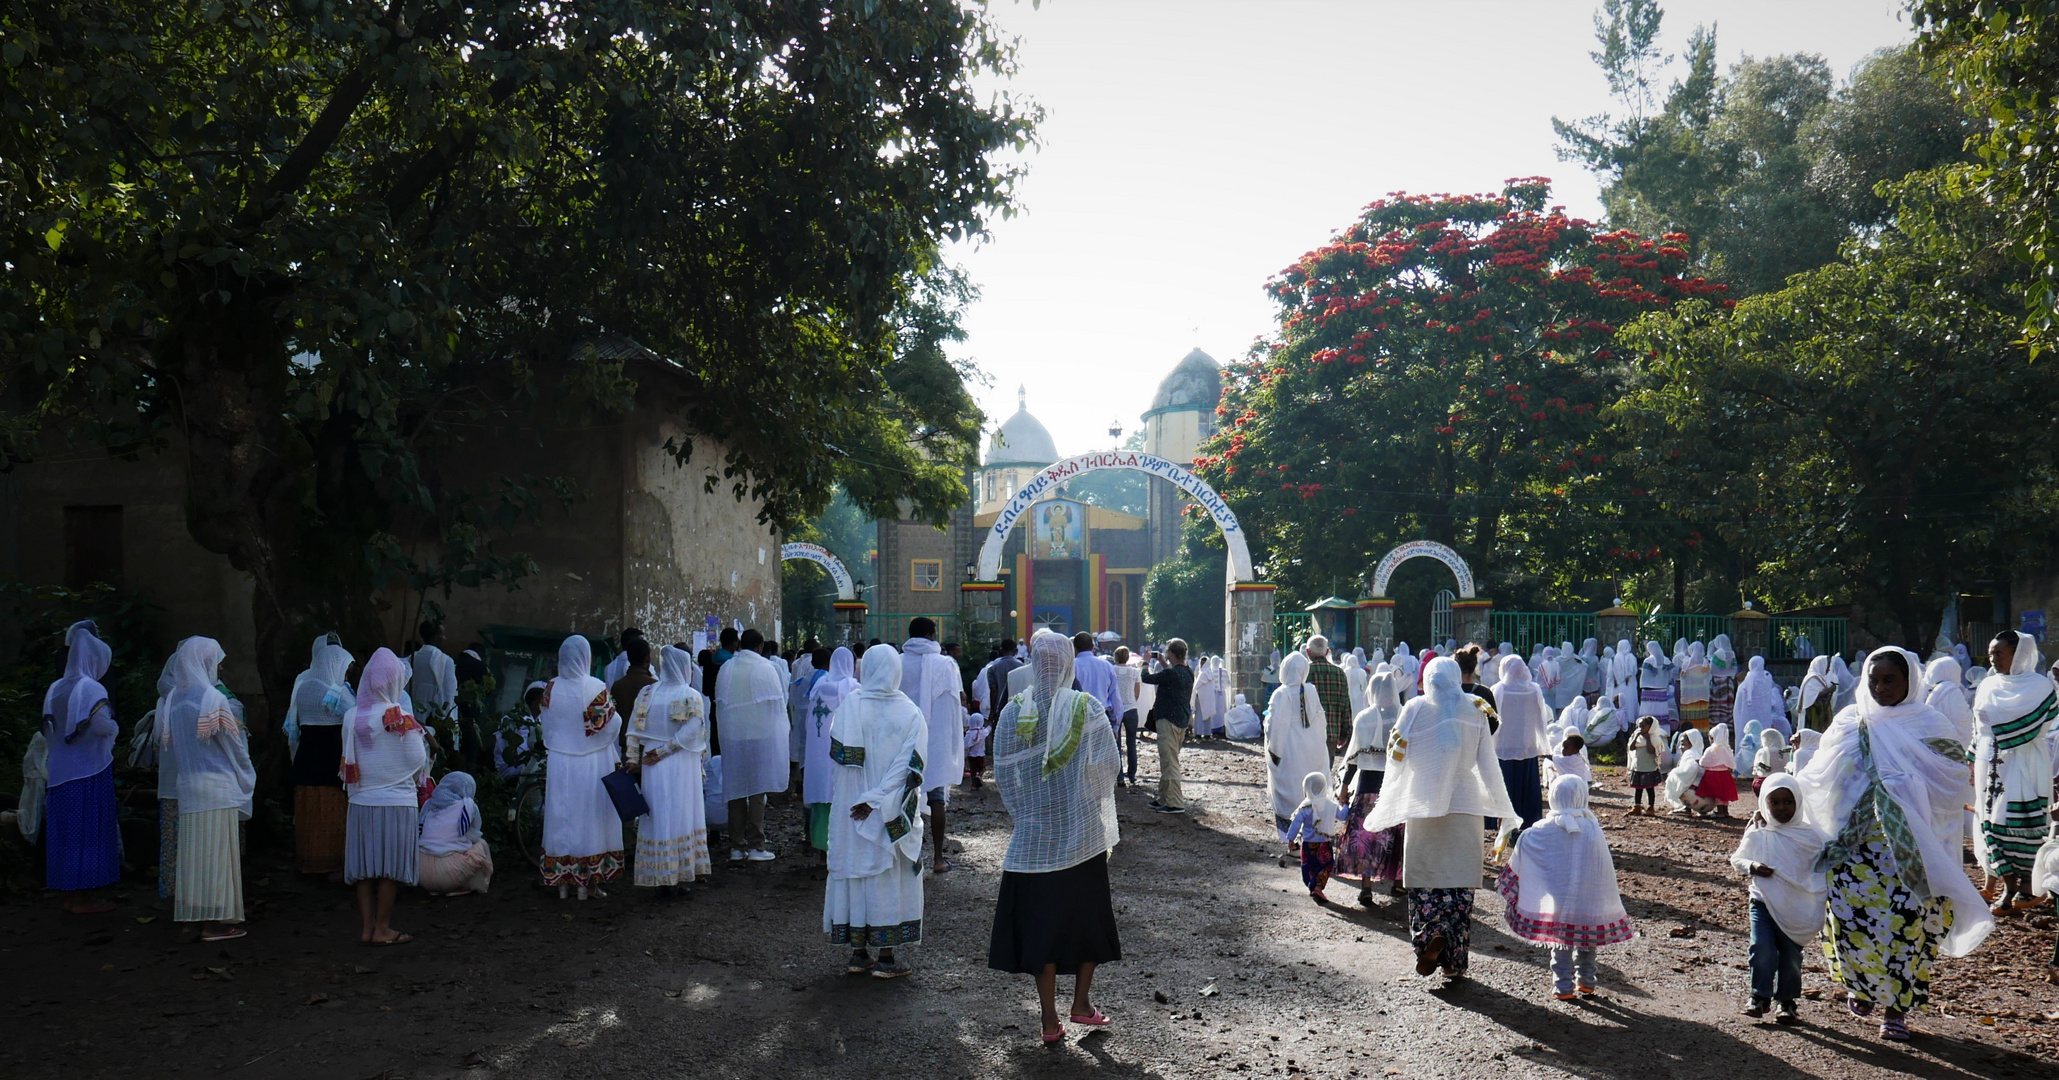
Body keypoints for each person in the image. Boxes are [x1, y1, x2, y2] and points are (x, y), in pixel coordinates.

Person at [1799, 646, 1992, 1042]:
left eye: (1891, 680)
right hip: (1854, 849)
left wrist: (1901, 787)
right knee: (1851, 920)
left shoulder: (1929, 725)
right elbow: (1821, 776)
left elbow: (1952, 782)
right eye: (1875, 680)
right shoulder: (1850, 722)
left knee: (1907, 926)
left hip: (1910, 853)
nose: (1881, 688)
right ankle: (1862, 986)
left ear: (1910, 682)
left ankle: (1895, 1009)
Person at [989, 630, 1123, 1044]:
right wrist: (1084, 797)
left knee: (1040, 930)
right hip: (1081, 834)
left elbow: (1003, 770)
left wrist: (1027, 811)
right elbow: (1108, 768)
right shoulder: (1087, 707)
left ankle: (1049, 1020)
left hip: (1033, 840)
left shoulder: (1015, 711)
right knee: (1087, 921)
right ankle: (1081, 1003)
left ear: (1034, 662)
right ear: (1067, 663)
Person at [1362, 656, 1518, 982]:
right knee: (1459, 888)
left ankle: (1429, 937)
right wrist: (1503, 807)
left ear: (1428, 680)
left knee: (1425, 884)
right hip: (1465, 807)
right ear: (1457, 679)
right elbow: (1488, 764)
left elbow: (1395, 757)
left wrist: (1396, 793)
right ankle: (1452, 960)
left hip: (1423, 807)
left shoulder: (1414, 709)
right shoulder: (1475, 710)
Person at [825, 643, 929, 978]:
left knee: (856, 873)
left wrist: (864, 798)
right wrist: (880, 800)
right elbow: (909, 768)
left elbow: (842, 761)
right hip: (888, 810)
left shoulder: (850, 706)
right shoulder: (911, 712)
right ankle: (886, 957)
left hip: (851, 807)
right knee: (890, 878)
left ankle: (858, 953)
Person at [1497, 773, 1635, 1000]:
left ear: (1553, 796)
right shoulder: (1592, 826)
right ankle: (1587, 982)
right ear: (1583, 795)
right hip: (1588, 898)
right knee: (1587, 942)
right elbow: (1600, 865)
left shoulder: (1545, 827)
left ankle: (1563, 987)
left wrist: (1510, 832)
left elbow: (1526, 841)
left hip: (1558, 898)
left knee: (1560, 941)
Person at [162, 637, 254, 942]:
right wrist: (247, 775)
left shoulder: (174, 699)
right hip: (216, 788)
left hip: (188, 788)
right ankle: (215, 924)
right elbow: (234, 746)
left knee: (194, 856)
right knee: (217, 856)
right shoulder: (213, 699)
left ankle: (193, 918)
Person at [343, 648, 432, 944]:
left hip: (361, 803)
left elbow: (349, 758)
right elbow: (417, 758)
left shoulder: (351, 716)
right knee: (389, 872)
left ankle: (367, 928)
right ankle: (383, 928)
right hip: (396, 802)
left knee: (365, 871)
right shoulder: (398, 715)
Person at [1729, 772, 1826, 1024]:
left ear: (1798, 803)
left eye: (1788, 801)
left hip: (1797, 905)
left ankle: (1787, 1002)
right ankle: (1759, 996)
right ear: (1765, 804)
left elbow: (1821, 868)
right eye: (1775, 802)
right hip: (1762, 902)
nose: (1782, 808)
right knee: (1761, 948)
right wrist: (1752, 866)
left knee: (1791, 956)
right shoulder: (1759, 832)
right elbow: (1737, 858)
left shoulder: (1811, 837)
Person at [1972, 630, 2056, 911]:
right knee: (1991, 824)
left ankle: (2028, 888)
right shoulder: (1988, 685)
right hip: (1991, 763)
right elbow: (1979, 727)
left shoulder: (2040, 687)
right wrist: (1973, 758)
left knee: (2024, 824)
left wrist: (2000, 734)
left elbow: (2036, 726)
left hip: (2026, 761)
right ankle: (2008, 889)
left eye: (1999, 653)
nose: (1993, 658)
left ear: (2018, 655)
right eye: (1991, 652)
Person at [42, 620, 120, 913]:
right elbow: (100, 726)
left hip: (59, 774)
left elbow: (48, 730)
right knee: (87, 833)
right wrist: (114, 728)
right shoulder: (91, 688)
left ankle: (69, 895)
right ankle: (83, 897)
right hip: (88, 771)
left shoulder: (55, 688)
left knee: (66, 835)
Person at [540, 635, 625, 897]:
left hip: (559, 760)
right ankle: (588, 883)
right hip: (590, 762)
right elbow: (610, 724)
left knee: (561, 817)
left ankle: (563, 883)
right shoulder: (594, 687)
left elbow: (547, 721)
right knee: (589, 817)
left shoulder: (550, 688)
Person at [629, 645, 711, 893]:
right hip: (679, 761)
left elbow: (633, 728)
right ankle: (677, 875)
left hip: (652, 762)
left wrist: (633, 757)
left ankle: (660, 875)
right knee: (681, 813)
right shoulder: (690, 695)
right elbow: (692, 730)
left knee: (658, 813)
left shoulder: (646, 693)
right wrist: (666, 751)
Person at [714, 629, 788, 863]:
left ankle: (737, 845)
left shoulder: (727, 668)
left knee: (735, 789)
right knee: (757, 790)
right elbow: (777, 707)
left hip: (733, 737)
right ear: (759, 647)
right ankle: (756, 844)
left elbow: (720, 705)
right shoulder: (765, 668)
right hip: (759, 736)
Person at [1336, 662, 1405, 905]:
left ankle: (1366, 885)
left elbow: (1354, 758)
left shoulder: (1364, 718)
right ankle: (1398, 884)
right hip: (1395, 784)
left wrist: (1345, 786)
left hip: (1367, 785)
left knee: (1366, 834)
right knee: (1396, 834)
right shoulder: (1404, 716)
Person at [285, 640, 354, 878]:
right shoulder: (336, 693)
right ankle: (333, 863)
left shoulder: (304, 687)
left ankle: (309, 862)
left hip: (306, 759)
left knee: (310, 813)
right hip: (330, 760)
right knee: (332, 812)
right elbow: (354, 717)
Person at [904, 618, 965, 873]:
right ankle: (938, 858)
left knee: (903, 796)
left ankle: (909, 857)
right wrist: (953, 740)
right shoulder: (946, 664)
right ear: (931, 634)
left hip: (904, 739)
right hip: (936, 739)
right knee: (937, 797)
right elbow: (955, 704)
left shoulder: (898, 662)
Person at [1265, 652, 1331, 840]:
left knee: (1291, 788)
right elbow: (1320, 721)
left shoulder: (1281, 693)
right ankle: (1311, 833)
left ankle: (1291, 839)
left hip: (1290, 751)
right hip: (1311, 749)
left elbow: (1275, 726)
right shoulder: (1311, 690)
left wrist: (1274, 751)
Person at [803, 647, 859, 851]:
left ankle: (820, 848)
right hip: (841, 755)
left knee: (823, 799)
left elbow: (809, 723)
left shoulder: (819, 688)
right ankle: (842, 849)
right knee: (842, 797)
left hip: (818, 755)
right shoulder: (853, 689)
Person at [1493, 654, 1549, 828]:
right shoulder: (1534, 689)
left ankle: (1506, 824)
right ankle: (1529, 821)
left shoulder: (1499, 689)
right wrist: (1541, 741)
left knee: (1508, 785)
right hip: (1527, 745)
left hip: (1504, 746)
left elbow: (1493, 719)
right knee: (1527, 785)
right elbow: (1541, 718)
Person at [1141, 638, 1195, 814]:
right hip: (1181, 720)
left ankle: (1175, 803)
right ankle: (1164, 797)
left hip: (1168, 720)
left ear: (1171, 653)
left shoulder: (1172, 674)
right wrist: (1164, 664)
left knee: (1170, 762)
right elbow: (1173, 677)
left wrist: (1145, 663)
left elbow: (1147, 678)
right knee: (1168, 759)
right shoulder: (1187, 672)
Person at [418, 771, 493, 896]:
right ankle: (471, 885)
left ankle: (438, 887)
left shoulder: (428, 805)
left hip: (422, 872)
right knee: (481, 844)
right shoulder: (468, 806)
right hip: (448, 873)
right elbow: (474, 835)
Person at [1285, 771, 1344, 903]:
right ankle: (1317, 887)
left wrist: (1290, 840)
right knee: (1326, 865)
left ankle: (1313, 887)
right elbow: (1343, 816)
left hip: (1307, 845)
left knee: (1309, 868)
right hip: (1325, 844)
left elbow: (1295, 824)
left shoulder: (1305, 806)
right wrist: (1345, 804)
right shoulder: (1331, 805)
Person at [408, 620, 460, 758]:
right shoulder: (445, 661)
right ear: (435, 636)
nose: (445, 639)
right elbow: (449, 695)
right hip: (436, 718)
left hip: (413, 715)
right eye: (442, 635)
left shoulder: (411, 659)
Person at [1302, 636, 1352, 752]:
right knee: (1325, 769)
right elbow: (1345, 706)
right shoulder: (1339, 673)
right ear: (1327, 651)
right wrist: (1344, 734)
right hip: (1332, 732)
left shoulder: (1304, 672)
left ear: (1308, 652)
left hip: (1308, 732)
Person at [1733, 656, 1790, 743]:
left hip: (1746, 721)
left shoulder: (1744, 686)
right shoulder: (1766, 682)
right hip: (1764, 722)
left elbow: (1738, 708)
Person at [609, 636, 657, 730]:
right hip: (645, 742)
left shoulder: (617, 686)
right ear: (647, 659)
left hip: (621, 740)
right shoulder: (654, 686)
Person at [1111, 646, 1141, 786]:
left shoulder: (1112, 670)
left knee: (1116, 743)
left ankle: (1119, 776)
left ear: (1115, 658)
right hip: (1131, 708)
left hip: (1116, 708)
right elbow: (1137, 693)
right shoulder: (1135, 672)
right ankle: (1132, 774)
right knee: (1131, 742)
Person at [1696, 723, 1740, 818]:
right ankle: (1725, 812)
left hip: (1712, 774)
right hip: (1724, 774)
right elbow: (1731, 762)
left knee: (1718, 794)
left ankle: (1719, 813)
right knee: (1724, 793)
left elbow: (1703, 762)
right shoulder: (1727, 749)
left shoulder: (1711, 749)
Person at [1626, 716, 1663, 816]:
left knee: (1650, 789)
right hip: (1638, 766)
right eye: (1639, 726)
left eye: (1643, 726)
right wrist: (1636, 737)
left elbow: (1652, 751)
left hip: (1649, 768)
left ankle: (1651, 807)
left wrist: (1648, 740)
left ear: (1651, 727)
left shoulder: (1655, 739)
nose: (1641, 729)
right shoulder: (1637, 737)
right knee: (1638, 788)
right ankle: (1637, 806)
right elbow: (1632, 748)